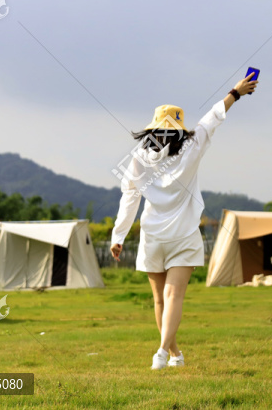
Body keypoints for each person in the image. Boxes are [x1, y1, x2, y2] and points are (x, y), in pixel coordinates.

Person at [110, 73, 259, 370]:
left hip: (152, 235)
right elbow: (212, 118)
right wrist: (236, 92)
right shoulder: (192, 147)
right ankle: (164, 351)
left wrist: (118, 236)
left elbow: (130, 197)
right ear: (180, 129)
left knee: (160, 301)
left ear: (153, 128)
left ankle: (171, 354)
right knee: (174, 295)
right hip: (184, 235)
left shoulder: (139, 156)